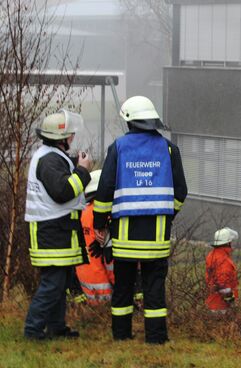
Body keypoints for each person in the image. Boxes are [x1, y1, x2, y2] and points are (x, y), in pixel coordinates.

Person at [93, 96, 187, 344]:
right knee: (154, 288)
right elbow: (181, 192)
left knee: (123, 287)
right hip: (157, 237)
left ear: (129, 121)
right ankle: (156, 338)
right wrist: (168, 214)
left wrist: (99, 223)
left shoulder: (119, 147)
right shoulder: (169, 149)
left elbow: (104, 191)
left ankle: (121, 335)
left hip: (124, 237)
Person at [24, 110, 93, 340]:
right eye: (69, 135)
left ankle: (56, 327)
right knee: (52, 284)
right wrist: (82, 170)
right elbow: (62, 192)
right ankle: (33, 330)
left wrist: (77, 164)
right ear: (60, 137)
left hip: (56, 231)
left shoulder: (51, 156)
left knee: (59, 283)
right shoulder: (49, 160)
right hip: (50, 232)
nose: (72, 137)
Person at [75, 170, 114, 304]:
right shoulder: (103, 214)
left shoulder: (82, 213)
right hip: (107, 294)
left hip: (88, 288)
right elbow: (110, 261)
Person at [205, 227, 239, 314]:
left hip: (212, 301)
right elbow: (223, 285)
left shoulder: (212, 255)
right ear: (228, 242)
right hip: (221, 306)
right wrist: (231, 302)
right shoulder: (223, 260)